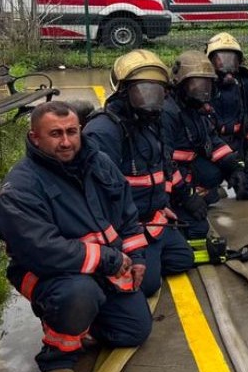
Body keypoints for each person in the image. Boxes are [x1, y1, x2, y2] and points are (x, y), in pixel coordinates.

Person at [0, 101, 151, 372]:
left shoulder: (98, 162)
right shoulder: (21, 187)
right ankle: (57, 356)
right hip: (48, 273)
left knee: (134, 331)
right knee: (78, 294)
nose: (66, 142)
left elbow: (127, 212)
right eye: (55, 134)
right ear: (35, 137)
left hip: (100, 267)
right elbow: (42, 250)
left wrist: (137, 256)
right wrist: (106, 258)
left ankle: (84, 321)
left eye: (72, 132)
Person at [84, 50, 196, 293]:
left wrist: (162, 203)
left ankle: (151, 258)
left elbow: (159, 170)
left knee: (183, 259)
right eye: (143, 91)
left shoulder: (151, 124)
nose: (151, 100)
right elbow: (101, 198)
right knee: (148, 284)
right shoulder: (104, 131)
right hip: (127, 227)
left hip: (153, 218)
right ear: (123, 92)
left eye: (157, 93)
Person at [162, 50, 243, 238]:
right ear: (180, 84)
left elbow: (211, 139)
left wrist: (234, 167)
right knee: (197, 230)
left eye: (206, 84)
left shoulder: (194, 109)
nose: (202, 91)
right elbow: (163, 163)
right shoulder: (168, 113)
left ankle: (202, 196)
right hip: (169, 181)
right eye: (196, 85)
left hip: (186, 171)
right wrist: (187, 196)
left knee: (214, 173)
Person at [206, 32, 248, 201]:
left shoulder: (247, 85)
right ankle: (212, 186)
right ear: (210, 62)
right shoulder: (202, 86)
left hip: (239, 146)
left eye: (232, 60)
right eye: (220, 59)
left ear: (239, 62)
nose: (226, 65)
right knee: (209, 193)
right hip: (211, 151)